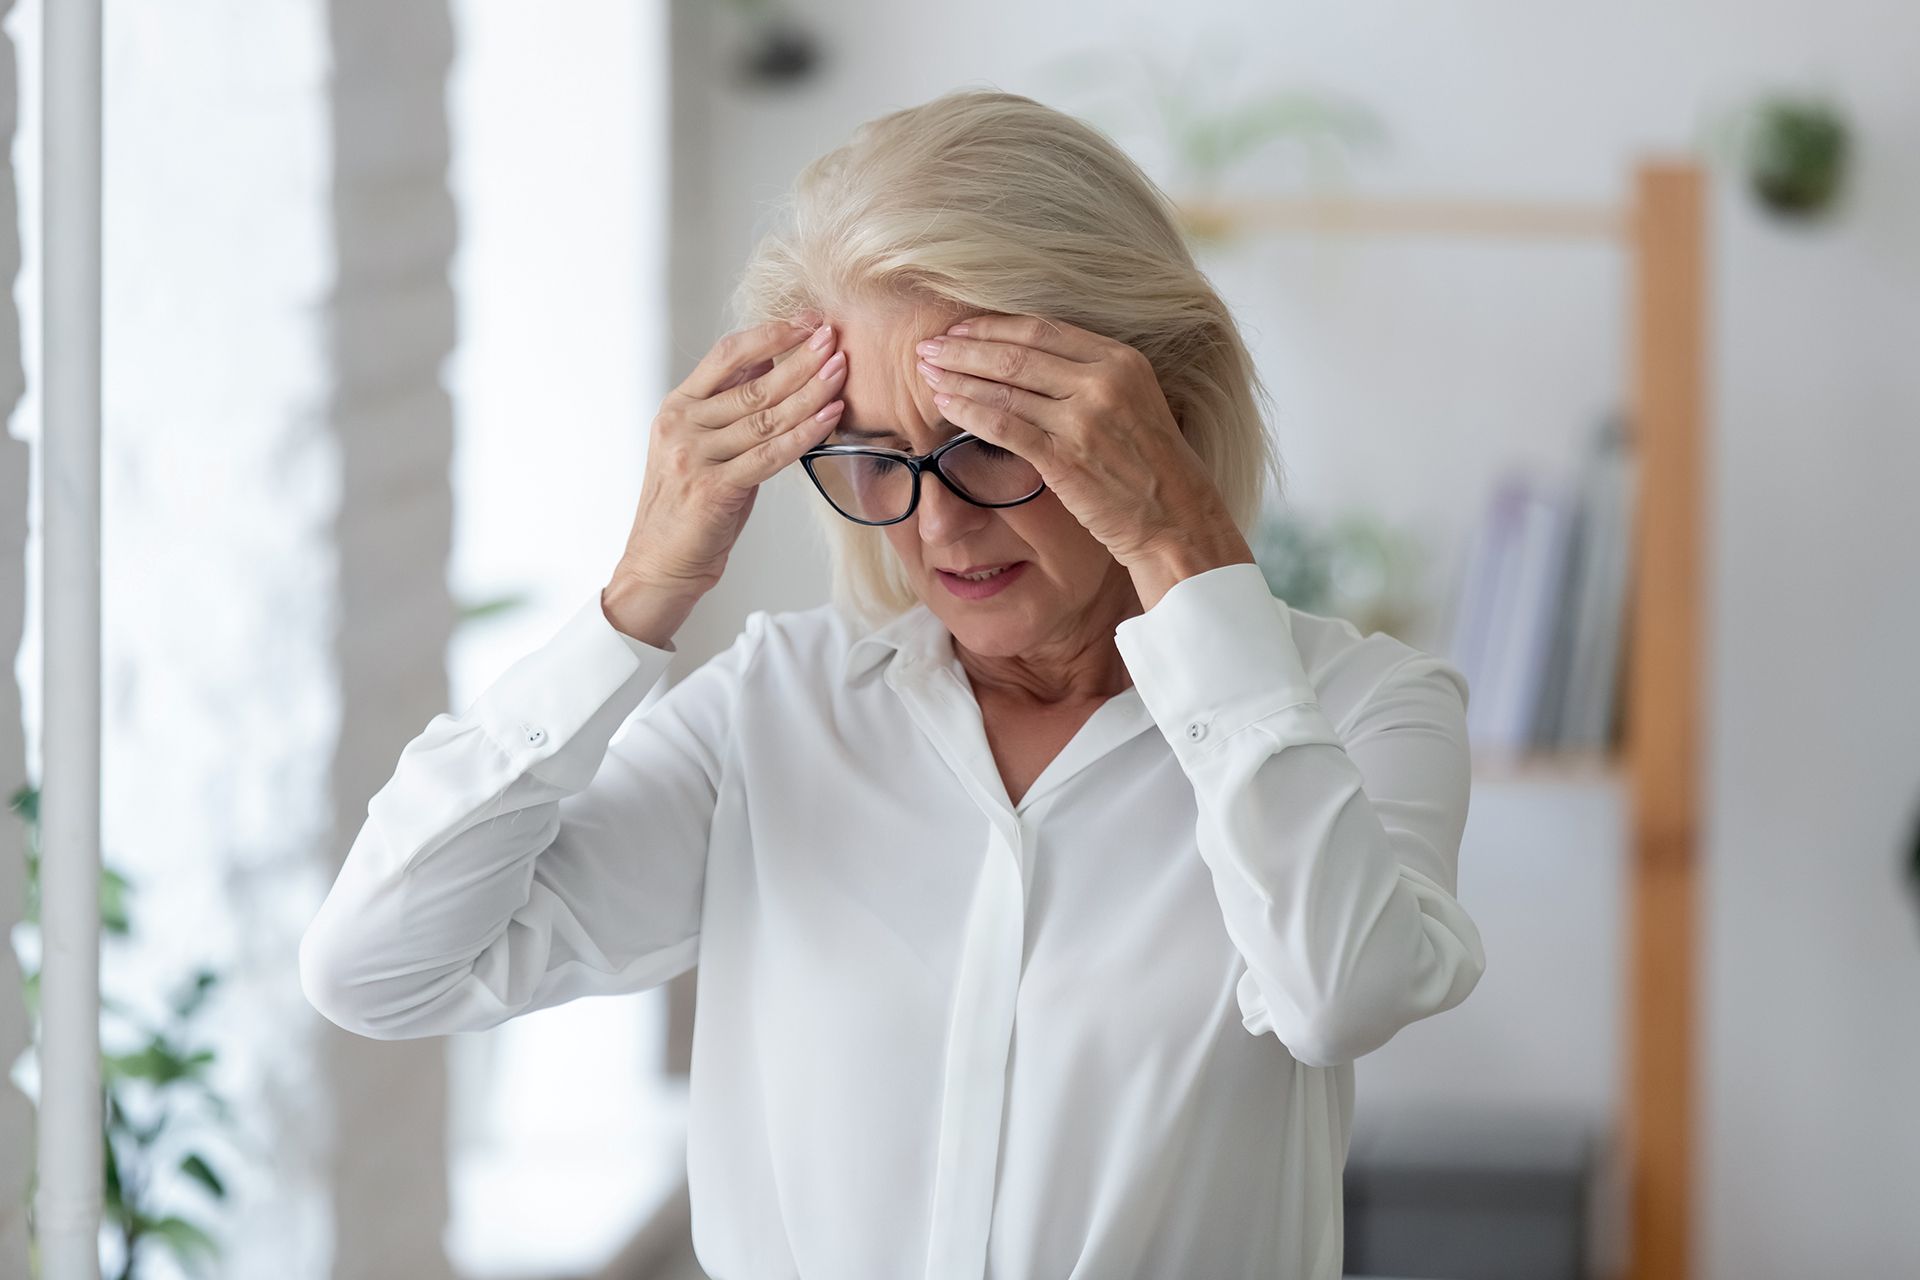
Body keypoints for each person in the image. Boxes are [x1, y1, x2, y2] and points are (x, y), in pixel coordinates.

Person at [299, 86, 1485, 1280]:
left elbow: (1340, 992)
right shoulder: (774, 710)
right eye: (874, 456)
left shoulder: (1363, 708)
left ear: (1151, 410)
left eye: (992, 440)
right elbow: (379, 966)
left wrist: (1183, 543)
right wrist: (643, 592)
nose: (940, 525)